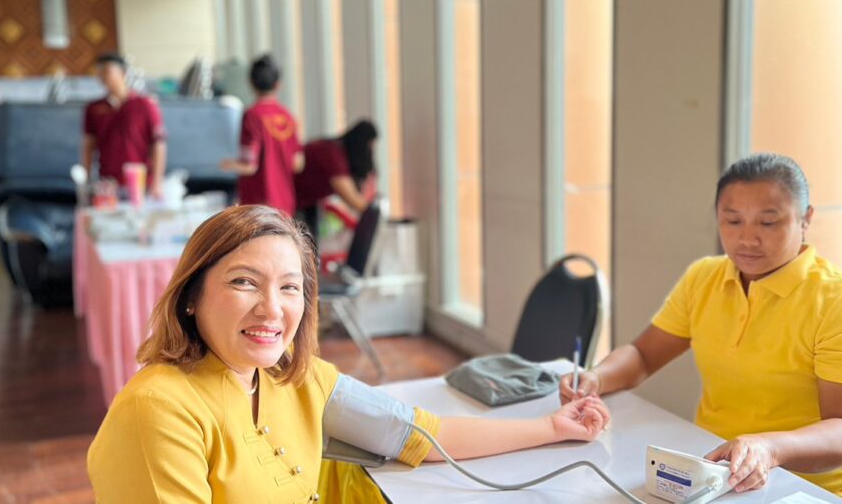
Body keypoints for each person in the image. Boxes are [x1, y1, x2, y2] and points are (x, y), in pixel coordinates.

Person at [87, 205, 610, 502]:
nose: (273, 310)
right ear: (191, 297)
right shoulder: (159, 411)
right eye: (244, 282)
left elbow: (421, 435)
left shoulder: (294, 377)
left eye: (290, 288)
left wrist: (551, 427)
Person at [559, 153, 842, 502]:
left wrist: (770, 447)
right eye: (732, 221)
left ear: (805, 219)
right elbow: (643, 356)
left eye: (768, 223)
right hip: (712, 470)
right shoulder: (705, 277)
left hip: (807, 487)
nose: (747, 239)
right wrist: (597, 378)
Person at [220, 55, 304, 216]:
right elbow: (298, 164)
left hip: (258, 206)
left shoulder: (252, 116)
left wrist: (227, 164)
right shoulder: (288, 117)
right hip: (285, 203)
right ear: (278, 84)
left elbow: (249, 165)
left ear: (250, 83)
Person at [82, 52, 167, 198]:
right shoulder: (94, 108)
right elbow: (88, 145)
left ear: (123, 72)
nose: (102, 76)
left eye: (107, 71)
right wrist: (86, 181)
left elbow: (158, 144)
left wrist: (157, 183)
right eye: (99, 71)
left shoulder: (145, 104)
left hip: (142, 183)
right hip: (108, 184)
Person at [295, 120, 377, 234]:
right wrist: (375, 213)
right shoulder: (333, 155)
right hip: (293, 203)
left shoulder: (336, 151)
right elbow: (351, 197)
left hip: (307, 203)